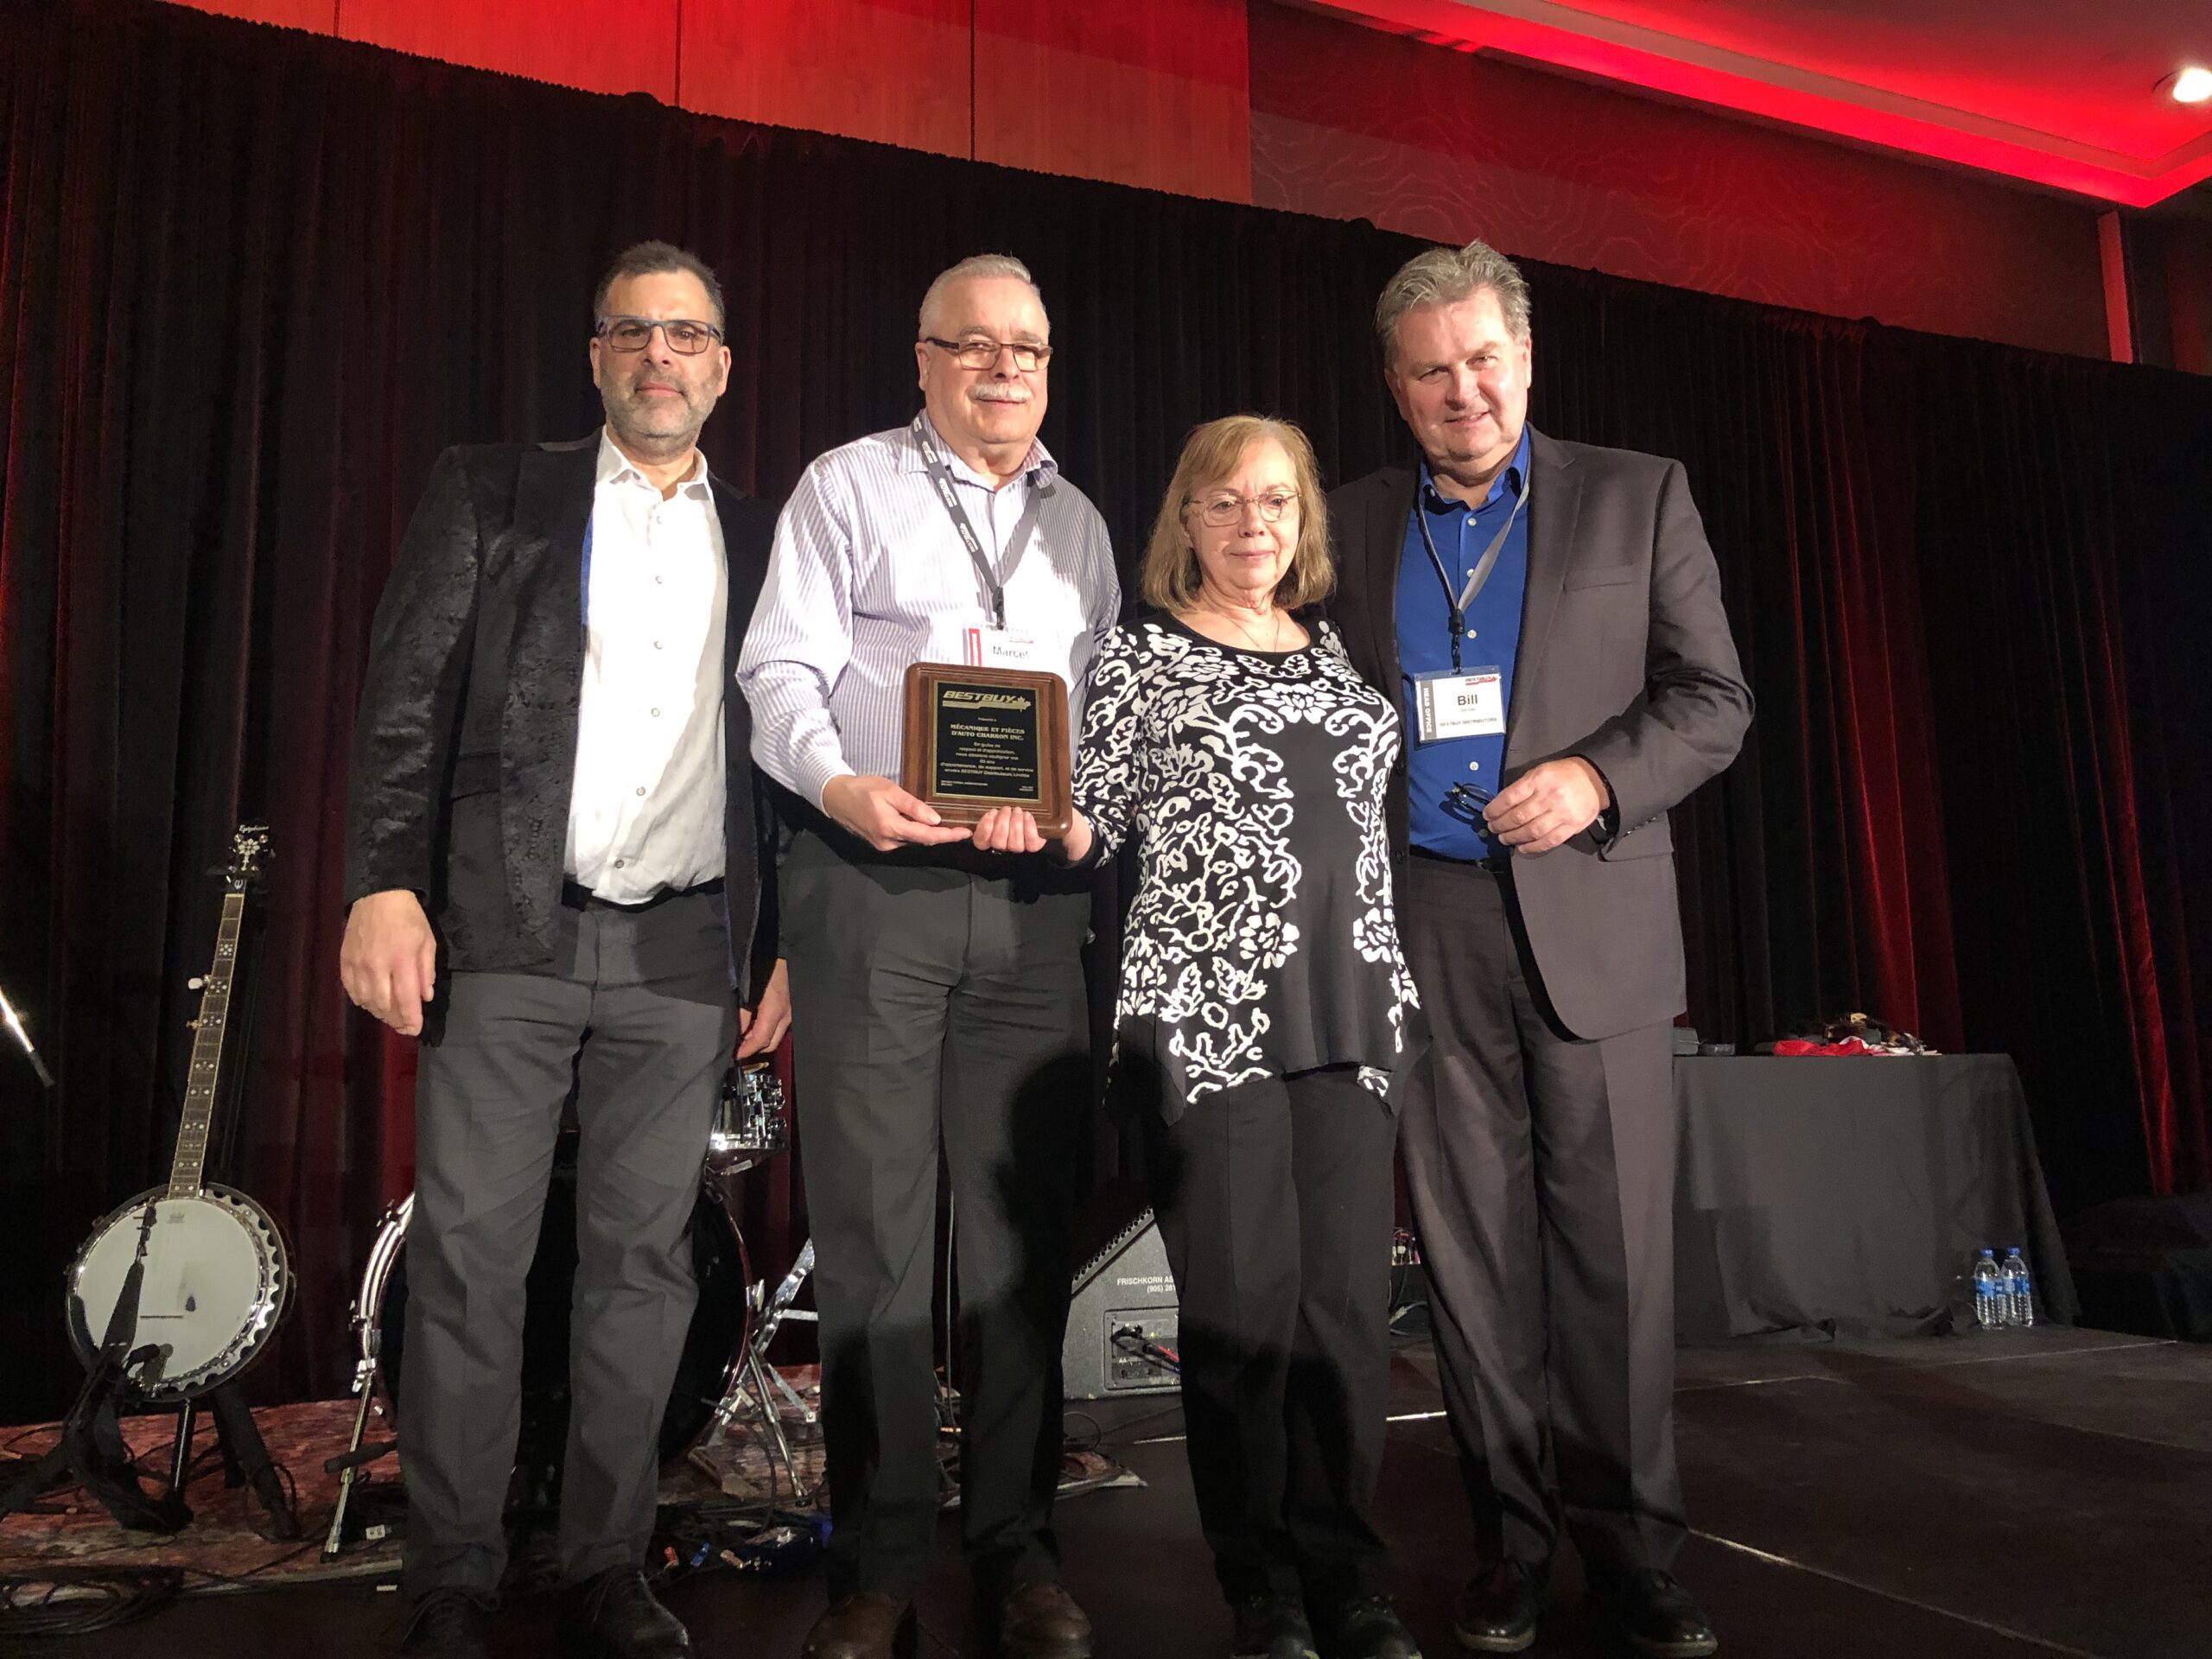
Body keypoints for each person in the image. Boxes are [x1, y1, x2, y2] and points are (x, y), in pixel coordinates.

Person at [341, 241, 789, 1659]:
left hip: (688, 953)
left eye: (688, 335)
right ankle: (453, 1581)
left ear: (723, 367)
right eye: (633, 331)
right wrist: (383, 884)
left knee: (644, 1270)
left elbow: (790, 752)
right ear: (597, 357)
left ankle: (606, 1567)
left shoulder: (772, 533)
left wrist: (784, 945)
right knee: (470, 1263)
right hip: (506, 932)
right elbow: (404, 700)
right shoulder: (494, 491)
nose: (661, 356)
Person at [1325, 240, 1751, 1658]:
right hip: (1426, 924)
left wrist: (1595, 778)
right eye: (1432, 371)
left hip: (1594, 914)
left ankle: (1632, 1554)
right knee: (1471, 1257)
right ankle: (1509, 1546)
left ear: (1526, 359)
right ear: (1397, 387)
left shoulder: (1639, 494)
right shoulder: (1350, 522)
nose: (1465, 391)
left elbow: (1714, 698)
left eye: (1485, 360)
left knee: (1615, 1257)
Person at [735, 254, 1118, 1659]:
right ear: (922, 359)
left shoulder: (1081, 523)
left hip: (1031, 911)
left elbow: (1102, 713)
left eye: (1028, 347)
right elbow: (777, 672)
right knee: (877, 1246)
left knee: (1018, 1246)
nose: (1005, 368)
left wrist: (1079, 813)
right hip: (871, 887)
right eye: (975, 345)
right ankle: (880, 1561)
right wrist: (843, 789)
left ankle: (1019, 1549)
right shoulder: (845, 487)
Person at [1011, 414, 1421, 1659]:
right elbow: (1097, 818)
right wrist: (1039, 817)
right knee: (1244, 1313)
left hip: (1348, 1014)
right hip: (1206, 1017)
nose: (1255, 523)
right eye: (1228, 501)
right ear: (1185, 520)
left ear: (1305, 522)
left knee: (1344, 1314)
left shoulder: (1337, 652)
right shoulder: (1139, 655)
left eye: (1277, 501)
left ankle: (1349, 1576)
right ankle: (1263, 1586)